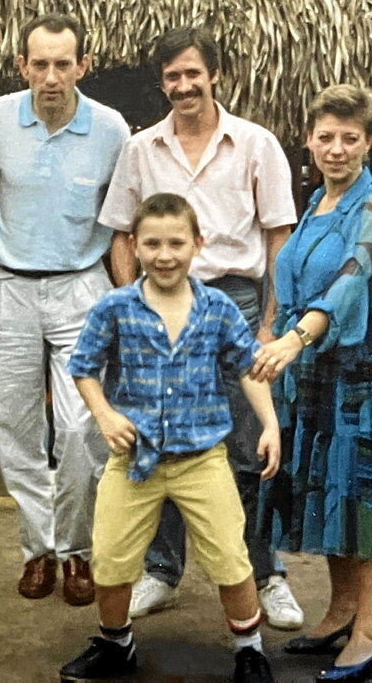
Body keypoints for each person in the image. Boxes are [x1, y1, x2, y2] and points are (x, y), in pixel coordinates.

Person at [97, 27, 302, 628]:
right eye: (172, 77)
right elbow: (120, 234)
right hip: (158, 306)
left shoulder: (256, 144)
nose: (184, 86)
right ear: (161, 83)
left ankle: (268, 576)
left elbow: (278, 240)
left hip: (234, 302)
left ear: (214, 75)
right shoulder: (141, 150)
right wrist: (132, 306)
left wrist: (269, 322)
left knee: (246, 447)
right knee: (158, 440)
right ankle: (161, 573)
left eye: (193, 74)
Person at [251, 84, 372, 682]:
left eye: (350, 139)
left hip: (364, 381)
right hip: (316, 375)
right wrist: (276, 335)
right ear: (308, 139)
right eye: (325, 137)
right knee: (331, 490)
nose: (336, 149)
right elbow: (293, 274)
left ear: (368, 142)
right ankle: (341, 612)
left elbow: (352, 281)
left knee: (364, 498)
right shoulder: (315, 203)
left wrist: (295, 338)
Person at [61, 193, 279, 683]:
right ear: (135, 246)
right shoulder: (116, 307)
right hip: (134, 460)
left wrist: (269, 423)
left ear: (197, 245)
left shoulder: (218, 308)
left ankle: (250, 648)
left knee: (230, 558)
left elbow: (248, 367)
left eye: (177, 243)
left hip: (202, 459)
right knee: (112, 562)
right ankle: (116, 644)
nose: (165, 255)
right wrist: (104, 415)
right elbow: (83, 367)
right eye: (153, 244)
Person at [0, 13, 130, 606]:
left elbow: (123, 219)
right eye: (38, 63)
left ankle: (76, 551)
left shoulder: (111, 129)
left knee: (78, 426)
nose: (50, 76)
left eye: (62, 63)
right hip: (8, 285)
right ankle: (37, 550)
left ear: (82, 67)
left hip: (80, 287)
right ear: (22, 66)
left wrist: (125, 300)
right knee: (15, 425)